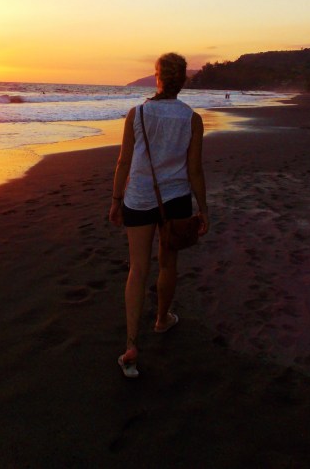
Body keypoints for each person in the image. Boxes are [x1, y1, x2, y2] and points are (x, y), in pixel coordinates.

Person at [108, 53, 209, 378]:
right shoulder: (192, 119)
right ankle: (162, 319)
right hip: (176, 199)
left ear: (158, 77)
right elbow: (195, 169)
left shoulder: (137, 113)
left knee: (138, 268)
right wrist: (203, 208)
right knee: (168, 264)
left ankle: (131, 344)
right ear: (182, 82)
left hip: (138, 197)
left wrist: (115, 199)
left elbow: (124, 161)